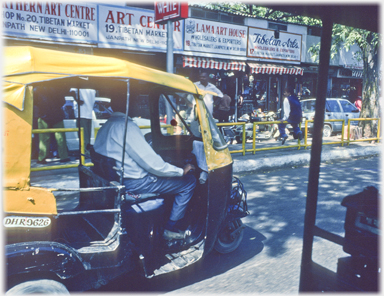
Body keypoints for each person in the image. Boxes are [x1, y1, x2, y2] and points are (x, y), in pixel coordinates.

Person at [93, 100, 196, 241]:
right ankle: (170, 229)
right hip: (135, 183)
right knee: (188, 182)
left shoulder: (106, 126)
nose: (138, 106)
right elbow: (153, 165)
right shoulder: (127, 127)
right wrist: (181, 171)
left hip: (115, 180)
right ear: (129, 104)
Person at [34, 85, 70, 164]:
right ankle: (64, 157)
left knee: (43, 139)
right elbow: (62, 101)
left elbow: (34, 101)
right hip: (57, 115)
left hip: (43, 115)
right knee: (60, 138)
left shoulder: (38, 88)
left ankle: (42, 158)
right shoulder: (58, 87)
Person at [72, 88, 97, 156]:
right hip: (88, 112)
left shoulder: (77, 83)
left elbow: (72, 92)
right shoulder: (91, 86)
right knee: (87, 135)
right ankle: (86, 151)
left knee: (82, 135)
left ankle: (84, 152)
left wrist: (77, 100)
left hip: (82, 112)